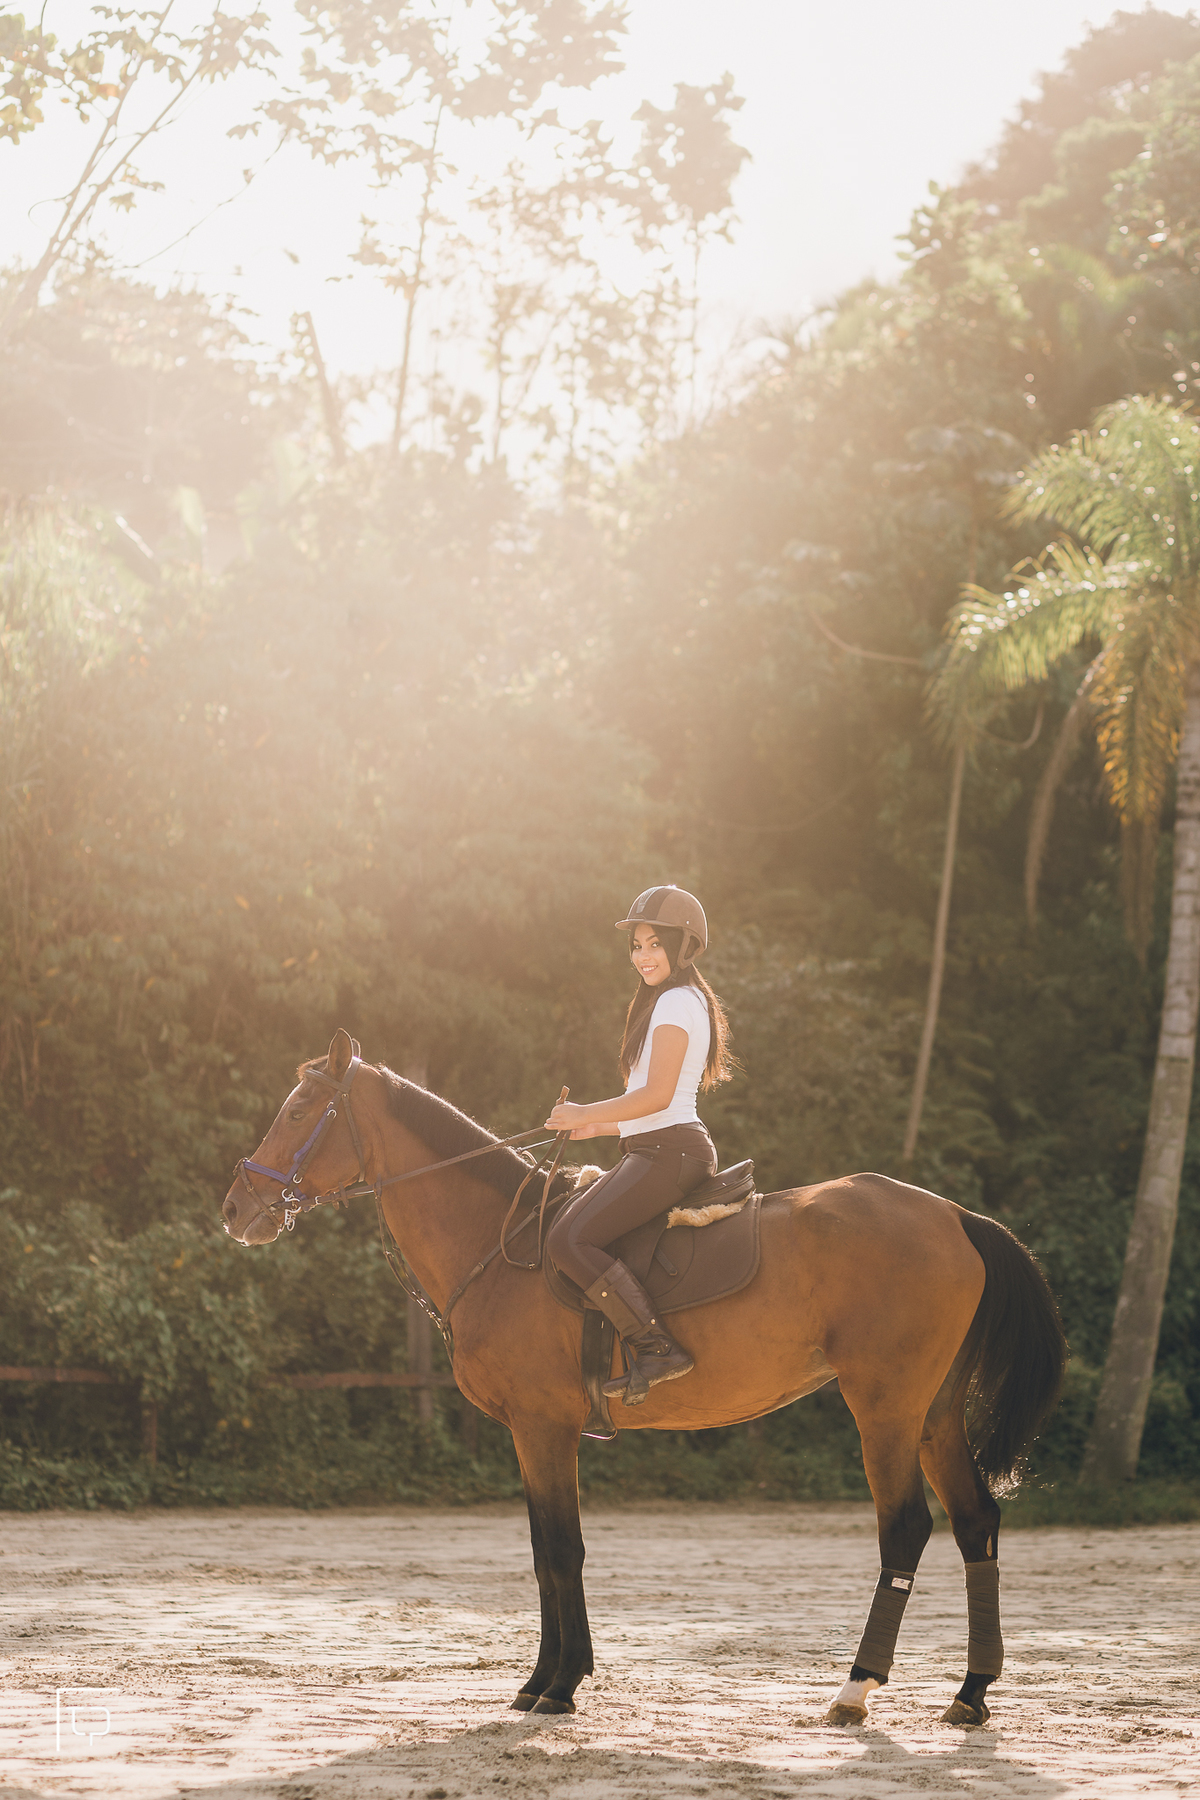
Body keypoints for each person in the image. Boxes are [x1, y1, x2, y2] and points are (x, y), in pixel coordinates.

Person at [544, 885, 736, 1405]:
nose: (642, 956)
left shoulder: (676, 1001)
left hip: (668, 1153)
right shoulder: (670, 1001)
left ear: (683, 948)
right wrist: (594, 1129)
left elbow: (658, 1095)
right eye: (637, 946)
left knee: (568, 1242)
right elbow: (646, 1105)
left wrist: (586, 1111)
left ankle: (655, 1348)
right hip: (656, 1146)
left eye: (654, 944)